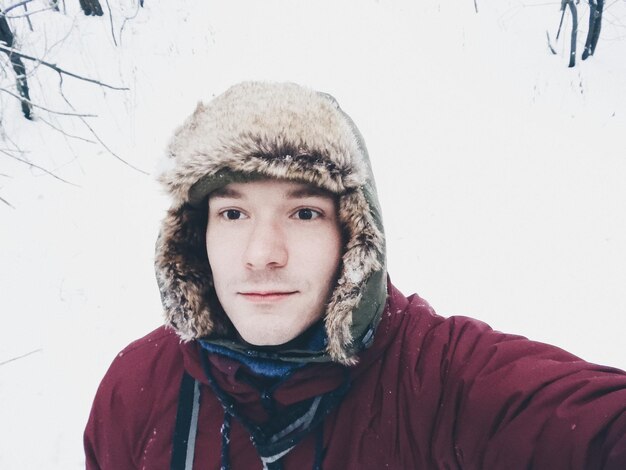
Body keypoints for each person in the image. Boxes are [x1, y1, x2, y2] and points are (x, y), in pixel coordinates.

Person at [84, 82, 626, 470]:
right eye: (233, 213)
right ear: (193, 235)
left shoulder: (434, 378)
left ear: (353, 235)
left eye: (304, 213)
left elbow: (580, 420)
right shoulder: (138, 386)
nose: (262, 254)